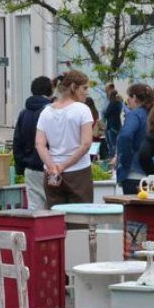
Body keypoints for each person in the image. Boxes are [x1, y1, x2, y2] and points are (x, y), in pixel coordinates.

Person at [36, 70, 95, 206]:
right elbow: (86, 144)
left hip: (51, 173)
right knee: (80, 220)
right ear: (74, 87)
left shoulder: (46, 111)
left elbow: (40, 144)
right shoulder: (82, 109)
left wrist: (52, 167)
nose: (87, 92)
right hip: (78, 172)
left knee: (56, 219)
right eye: (84, 88)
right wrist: (63, 166)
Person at [14, 75, 53, 210]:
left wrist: (20, 167)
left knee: (35, 209)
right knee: (54, 208)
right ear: (50, 91)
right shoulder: (51, 112)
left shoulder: (23, 113)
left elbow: (17, 142)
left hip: (30, 169)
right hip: (50, 167)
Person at [115, 84, 154, 194]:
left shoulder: (134, 114)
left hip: (134, 173)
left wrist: (124, 160)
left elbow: (125, 135)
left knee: (135, 210)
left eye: (129, 96)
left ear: (134, 97)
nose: (127, 100)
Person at [102, 84, 123, 160]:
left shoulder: (113, 103)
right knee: (113, 144)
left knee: (112, 144)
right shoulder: (119, 103)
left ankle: (113, 159)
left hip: (112, 126)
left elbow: (106, 113)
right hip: (116, 125)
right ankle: (114, 158)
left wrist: (104, 114)